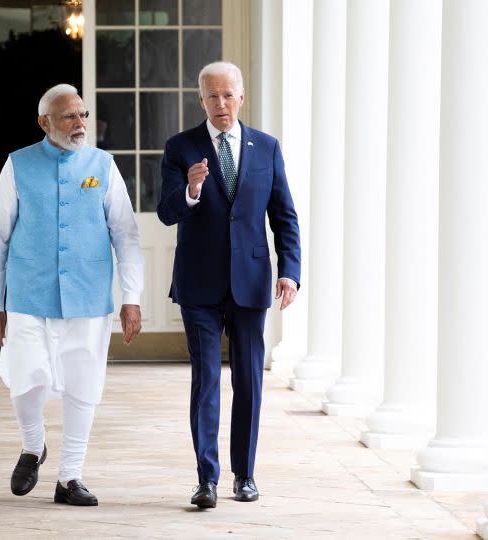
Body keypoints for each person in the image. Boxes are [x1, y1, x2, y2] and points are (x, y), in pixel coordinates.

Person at [0, 84, 143, 506]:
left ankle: (70, 477)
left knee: (83, 385)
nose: (79, 124)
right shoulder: (18, 164)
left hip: (88, 296)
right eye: (69, 116)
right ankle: (34, 445)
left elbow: (125, 234)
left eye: (83, 115)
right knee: (25, 375)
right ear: (44, 122)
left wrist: (132, 296)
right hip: (28, 294)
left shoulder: (102, 165)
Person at [157, 62, 302, 509]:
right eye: (212, 96)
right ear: (200, 100)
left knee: (249, 382)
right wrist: (191, 191)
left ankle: (245, 475)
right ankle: (207, 480)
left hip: (252, 281)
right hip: (198, 283)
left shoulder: (267, 147)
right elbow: (165, 211)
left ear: (241, 98)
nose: (220, 104)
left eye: (228, 95)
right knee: (205, 381)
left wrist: (290, 270)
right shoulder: (181, 148)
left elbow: (284, 216)